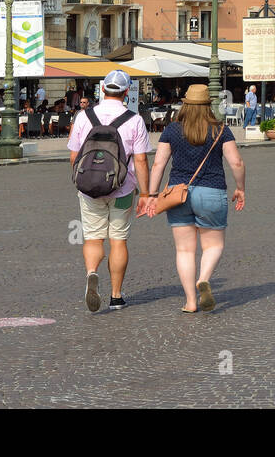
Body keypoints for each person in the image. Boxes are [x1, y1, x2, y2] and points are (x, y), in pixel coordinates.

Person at [145, 83, 245, 313]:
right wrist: (240, 188)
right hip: (212, 192)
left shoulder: (171, 130)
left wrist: (152, 194)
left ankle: (190, 301)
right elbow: (237, 163)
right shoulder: (220, 130)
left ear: (185, 104)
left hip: (178, 194)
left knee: (184, 251)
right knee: (214, 245)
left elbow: (159, 164)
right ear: (209, 105)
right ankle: (204, 279)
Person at [67, 70, 151, 313]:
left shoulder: (84, 116)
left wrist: (83, 180)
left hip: (89, 189)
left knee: (93, 237)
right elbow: (142, 160)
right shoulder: (134, 120)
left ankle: (92, 272)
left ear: (102, 90)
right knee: (118, 240)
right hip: (123, 189)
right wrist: (145, 194)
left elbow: (74, 155)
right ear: (126, 93)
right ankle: (116, 296)